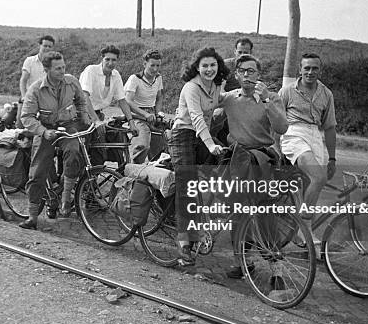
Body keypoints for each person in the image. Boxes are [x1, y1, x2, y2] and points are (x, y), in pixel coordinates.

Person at [216, 54, 289, 279]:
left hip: (262, 160)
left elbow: (282, 127)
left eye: (252, 71)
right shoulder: (229, 98)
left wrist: (267, 101)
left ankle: (276, 269)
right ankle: (243, 261)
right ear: (237, 75)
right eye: (243, 71)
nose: (247, 75)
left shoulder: (271, 98)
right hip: (237, 159)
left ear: (259, 75)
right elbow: (210, 107)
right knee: (238, 214)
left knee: (265, 214)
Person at [169, 47, 229, 265]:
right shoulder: (191, 87)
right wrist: (211, 144)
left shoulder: (214, 87)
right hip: (184, 134)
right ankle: (184, 244)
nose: (209, 69)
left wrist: (249, 94)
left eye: (213, 65)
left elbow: (224, 99)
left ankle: (207, 215)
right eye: (205, 65)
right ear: (197, 67)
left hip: (202, 137)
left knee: (227, 161)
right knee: (187, 186)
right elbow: (196, 118)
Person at [19, 51, 90, 229]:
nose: (62, 71)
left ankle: (66, 198)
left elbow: (81, 101)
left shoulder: (71, 81)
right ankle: (32, 216)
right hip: (46, 129)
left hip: (68, 125)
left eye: (64, 67)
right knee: (37, 172)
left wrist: (84, 116)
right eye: (58, 68)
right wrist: (43, 131)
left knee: (74, 152)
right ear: (46, 69)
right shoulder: (36, 88)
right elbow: (26, 117)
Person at [279, 53, 337, 245]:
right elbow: (275, 119)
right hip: (293, 133)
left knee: (313, 186)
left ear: (320, 70)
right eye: (307, 68)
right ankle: (304, 228)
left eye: (315, 68)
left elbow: (329, 127)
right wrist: (274, 147)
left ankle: (302, 231)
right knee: (318, 177)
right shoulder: (287, 91)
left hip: (315, 135)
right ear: (300, 69)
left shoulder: (326, 94)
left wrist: (332, 158)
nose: (310, 72)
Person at [79, 45, 139, 165]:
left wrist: (131, 122)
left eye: (114, 60)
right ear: (102, 58)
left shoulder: (115, 75)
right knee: (85, 147)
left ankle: (99, 172)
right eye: (107, 59)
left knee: (112, 140)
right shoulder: (91, 71)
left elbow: (122, 100)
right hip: (82, 113)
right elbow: (84, 97)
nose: (110, 63)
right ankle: (77, 176)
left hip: (98, 114)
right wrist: (96, 121)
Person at [124, 49, 164, 163]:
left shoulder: (158, 78)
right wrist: (145, 114)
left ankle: (152, 175)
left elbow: (159, 96)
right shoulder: (135, 79)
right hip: (136, 115)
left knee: (160, 148)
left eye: (158, 65)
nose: (155, 69)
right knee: (142, 146)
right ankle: (134, 173)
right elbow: (128, 101)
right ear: (144, 64)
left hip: (151, 115)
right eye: (152, 65)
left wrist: (158, 113)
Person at [18, 35, 55, 126]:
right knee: (20, 122)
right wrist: (24, 96)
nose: (47, 48)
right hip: (29, 97)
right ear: (40, 46)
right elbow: (23, 80)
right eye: (45, 46)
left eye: (49, 46)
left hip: (46, 100)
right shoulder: (29, 61)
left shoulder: (54, 64)